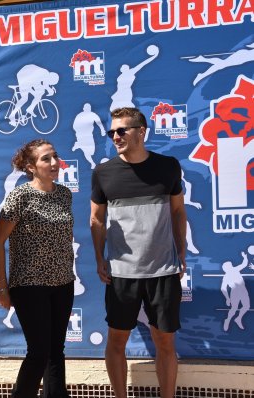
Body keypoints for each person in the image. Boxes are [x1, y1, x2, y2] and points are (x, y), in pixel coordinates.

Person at [90, 107, 187, 398]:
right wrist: (99, 258)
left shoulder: (168, 166)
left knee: (166, 344)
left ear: (141, 132)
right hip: (121, 274)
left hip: (164, 272)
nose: (115, 136)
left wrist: (181, 253)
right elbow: (96, 218)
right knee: (116, 341)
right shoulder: (103, 172)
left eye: (122, 130)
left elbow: (179, 211)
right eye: (112, 132)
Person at [0, 139, 75, 398]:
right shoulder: (20, 196)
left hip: (63, 282)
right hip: (29, 285)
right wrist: (2, 286)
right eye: (45, 159)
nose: (54, 163)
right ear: (30, 167)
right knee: (39, 352)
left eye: (55, 156)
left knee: (56, 351)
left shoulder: (64, 194)